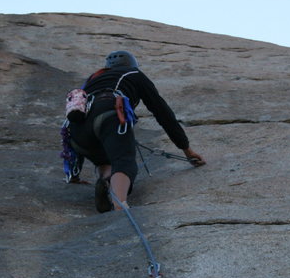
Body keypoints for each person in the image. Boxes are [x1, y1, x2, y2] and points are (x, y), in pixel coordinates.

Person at [67, 51, 205, 212]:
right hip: (109, 114)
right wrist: (186, 149)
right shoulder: (134, 74)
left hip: (77, 131)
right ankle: (120, 204)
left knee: (104, 159)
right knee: (123, 161)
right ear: (133, 64)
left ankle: (105, 179)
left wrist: (74, 174)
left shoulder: (92, 80)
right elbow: (162, 112)